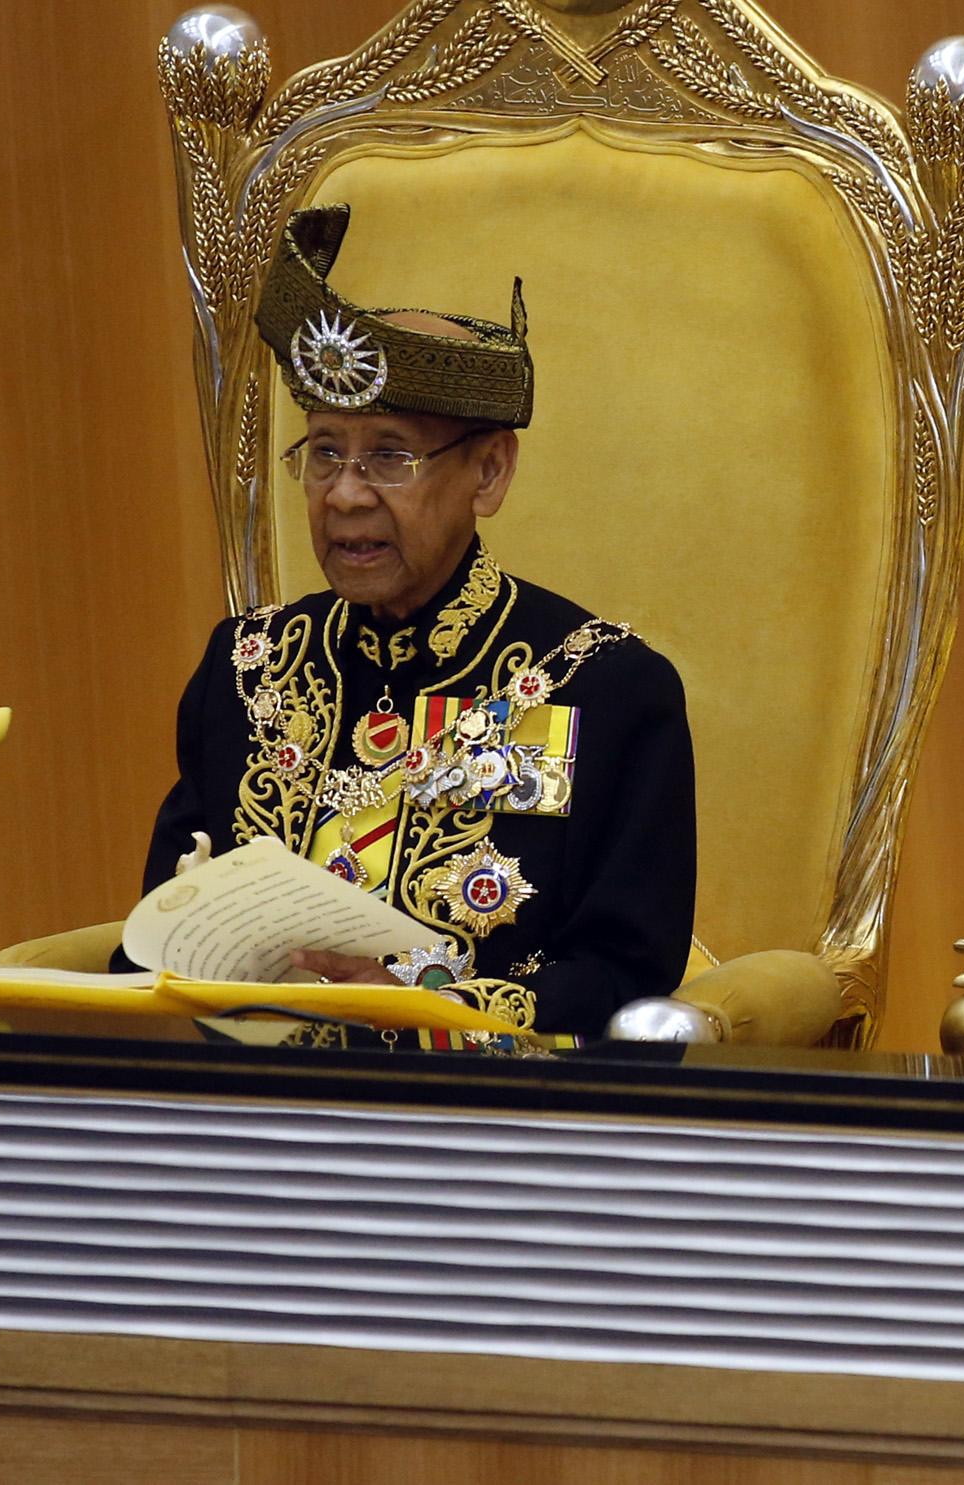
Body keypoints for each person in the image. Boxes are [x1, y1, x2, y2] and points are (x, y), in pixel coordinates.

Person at [142, 205, 697, 1039]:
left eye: (390, 456)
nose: (345, 494)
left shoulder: (605, 689)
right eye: (324, 451)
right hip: (249, 1124)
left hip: (486, 1135)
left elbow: (624, 982)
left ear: (489, 471)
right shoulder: (248, 668)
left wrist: (417, 1009)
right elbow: (161, 926)